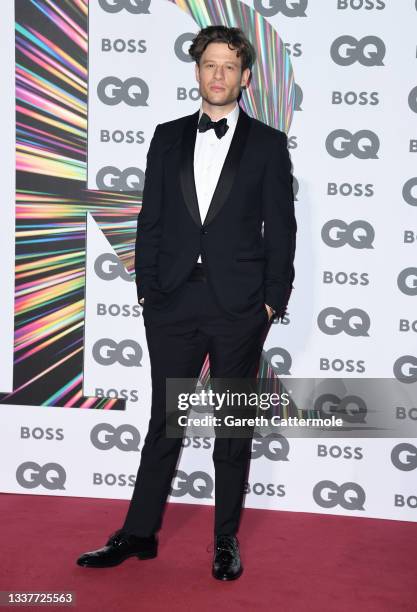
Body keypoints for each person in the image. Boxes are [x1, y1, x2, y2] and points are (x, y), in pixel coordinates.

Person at [77, 24, 296, 581]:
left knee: (231, 427)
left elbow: (283, 230)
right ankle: (139, 534)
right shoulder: (166, 136)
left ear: (245, 78)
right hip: (171, 303)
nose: (218, 75)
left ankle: (225, 540)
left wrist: (271, 303)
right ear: (197, 72)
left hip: (239, 309)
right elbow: (149, 221)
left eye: (229, 66)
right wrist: (147, 289)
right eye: (209, 65)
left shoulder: (268, 144)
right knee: (164, 424)